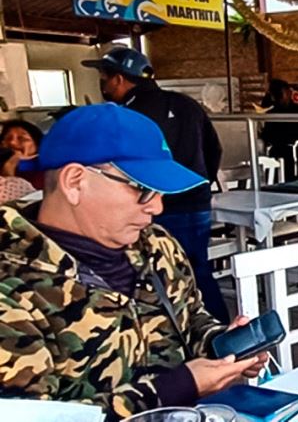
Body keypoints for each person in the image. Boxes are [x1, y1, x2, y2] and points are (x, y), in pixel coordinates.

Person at [0, 104, 267, 421]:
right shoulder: (12, 286)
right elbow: (30, 417)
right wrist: (175, 388)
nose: (156, 206)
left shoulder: (155, 245)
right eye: (142, 189)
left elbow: (191, 317)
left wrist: (222, 347)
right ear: (74, 181)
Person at [81, 47, 228, 324]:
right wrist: (199, 184)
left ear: (120, 79)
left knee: (155, 275)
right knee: (197, 268)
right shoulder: (186, 103)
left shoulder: (124, 116)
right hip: (196, 203)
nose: (103, 84)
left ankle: (168, 335)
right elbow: (214, 149)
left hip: (151, 206)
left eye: (104, 77)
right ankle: (219, 331)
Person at [260, 78, 298, 181]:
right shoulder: (270, 113)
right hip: (280, 156)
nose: (287, 94)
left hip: (297, 156)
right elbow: (266, 135)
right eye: (283, 93)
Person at [0, 119, 44, 189]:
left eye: (22, 139)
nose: (12, 142)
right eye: (8, 138)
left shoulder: (45, 168)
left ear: (37, 145)